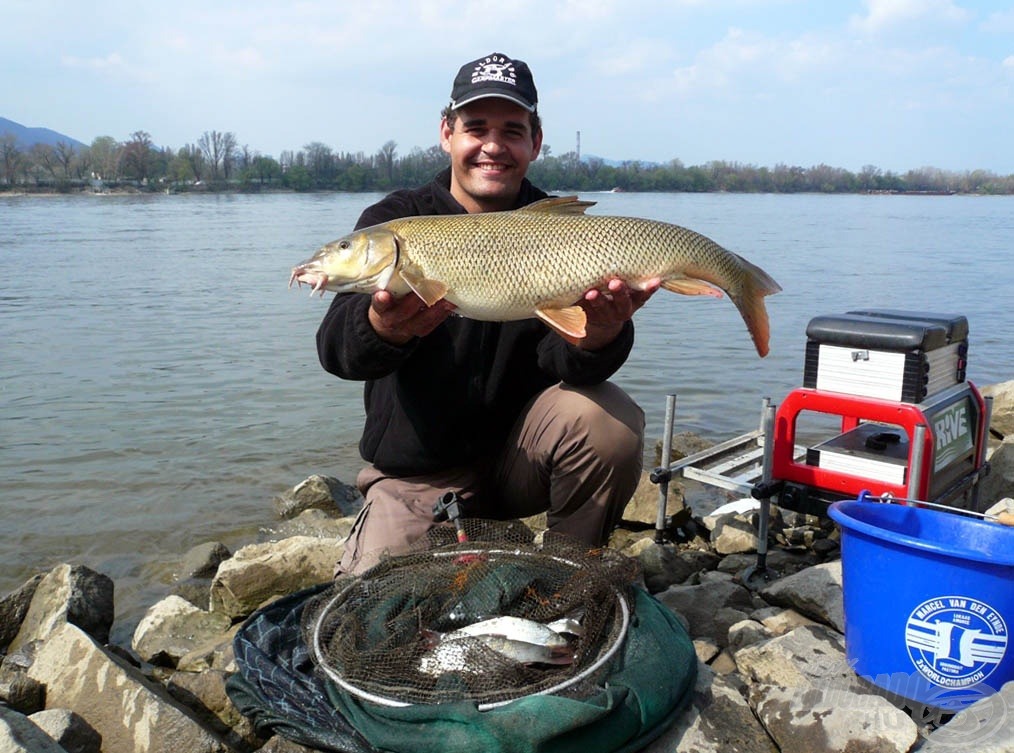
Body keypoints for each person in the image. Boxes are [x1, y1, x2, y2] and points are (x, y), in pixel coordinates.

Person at [317, 52, 660, 575]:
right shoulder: (397, 221)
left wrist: (601, 334)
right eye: (476, 128)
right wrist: (381, 328)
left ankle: (567, 578)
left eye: (512, 131)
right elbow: (337, 353)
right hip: (420, 478)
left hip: (520, 467)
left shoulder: (558, 229)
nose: (493, 147)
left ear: (536, 142)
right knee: (381, 615)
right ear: (447, 133)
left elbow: (569, 369)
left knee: (607, 421)